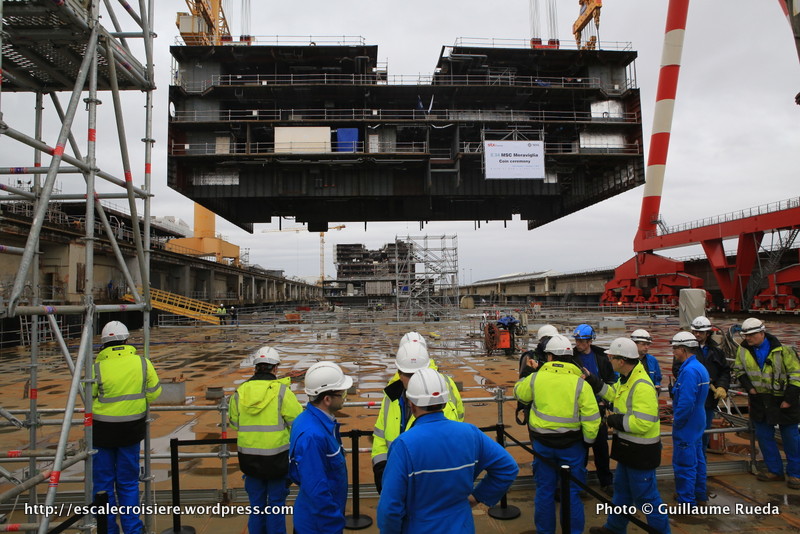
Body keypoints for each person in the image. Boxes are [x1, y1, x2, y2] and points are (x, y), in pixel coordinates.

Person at [377, 368, 518, 534]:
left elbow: (389, 508)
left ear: (411, 403)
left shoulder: (404, 445)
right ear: (445, 401)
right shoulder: (471, 434)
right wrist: (477, 497)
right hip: (461, 526)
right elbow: (508, 468)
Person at [514, 334, 600, 534]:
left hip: (543, 445)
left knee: (544, 491)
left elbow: (520, 393)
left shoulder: (536, 378)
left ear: (549, 357)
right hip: (572, 446)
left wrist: (526, 372)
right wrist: (587, 442)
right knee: (572, 494)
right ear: (570, 357)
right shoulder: (581, 383)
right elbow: (592, 419)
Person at [586, 338, 670, 534]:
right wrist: (593, 380)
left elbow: (643, 422)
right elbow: (611, 393)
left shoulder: (641, 386)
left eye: (611, 357)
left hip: (641, 453)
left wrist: (614, 421)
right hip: (627, 448)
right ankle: (614, 528)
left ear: (621, 361)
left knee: (647, 498)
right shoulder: (626, 379)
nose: (609, 360)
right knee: (622, 491)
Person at [92, 321, 161, 534]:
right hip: (132, 430)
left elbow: (88, 395)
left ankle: (108, 530)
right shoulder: (141, 363)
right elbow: (155, 391)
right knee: (129, 482)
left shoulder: (96, 366)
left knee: (103, 484)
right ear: (126, 340)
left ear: (103, 343)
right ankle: (133, 529)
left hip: (102, 431)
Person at [371, 340, 464, 492]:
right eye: (409, 375)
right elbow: (381, 434)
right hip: (396, 474)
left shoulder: (440, 396)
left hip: (430, 483)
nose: (415, 380)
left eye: (418, 374)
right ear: (399, 373)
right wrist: (381, 467)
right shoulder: (392, 394)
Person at [229, 346, 302, 534]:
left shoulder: (240, 392)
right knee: (276, 505)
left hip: (249, 460)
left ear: (256, 367)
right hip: (277, 460)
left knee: (256, 506)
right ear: (275, 368)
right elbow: (298, 422)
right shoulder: (282, 392)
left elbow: (235, 422)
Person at [733, 317, 800, 489]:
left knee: (791, 438)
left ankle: (796, 474)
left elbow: (796, 376)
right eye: (746, 335)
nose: (748, 338)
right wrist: (750, 389)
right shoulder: (743, 350)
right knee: (764, 437)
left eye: (752, 335)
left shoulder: (784, 350)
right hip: (759, 400)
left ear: (762, 333)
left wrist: (788, 400)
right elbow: (739, 370)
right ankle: (775, 471)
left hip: (783, 399)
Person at [289, 361, 352, 534]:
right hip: (319, 525)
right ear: (327, 399)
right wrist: (333, 525)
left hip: (319, 519)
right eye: (342, 393)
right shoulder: (312, 435)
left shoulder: (313, 420)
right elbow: (316, 488)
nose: (345, 397)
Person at [572, 323, 616, 494]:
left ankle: (606, 481)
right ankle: (580, 484)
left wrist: (606, 400)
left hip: (598, 409)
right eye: (576, 340)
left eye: (582, 340)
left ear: (590, 341)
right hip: (580, 411)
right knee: (580, 450)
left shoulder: (601, 358)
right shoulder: (572, 358)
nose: (578, 343)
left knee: (601, 449)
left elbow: (611, 380)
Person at [671, 331, 710, 505]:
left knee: (684, 462)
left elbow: (686, 402)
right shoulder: (699, 367)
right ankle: (699, 494)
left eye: (675, 349)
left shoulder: (688, 371)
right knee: (698, 459)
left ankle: (686, 500)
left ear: (683, 349)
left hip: (687, 422)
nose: (673, 353)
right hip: (698, 419)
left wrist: (677, 421)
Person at [690, 316, 731, 450]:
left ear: (708, 333)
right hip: (692, 398)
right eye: (695, 332)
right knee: (690, 434)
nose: (697, 335)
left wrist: (722, 386)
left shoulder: (716, 352)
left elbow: (725, 371)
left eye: (700, 332)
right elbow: (678, 370)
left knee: (704, 433)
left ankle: (701, 463)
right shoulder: (686, 350)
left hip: (708, 400)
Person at [630, 329, 663, 395]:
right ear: (634, 344)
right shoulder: (625, 360)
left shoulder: (652, 360)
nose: (646, 347)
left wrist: (657, 385)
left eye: (648, 344)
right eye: (644, 344)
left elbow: (657, 378)